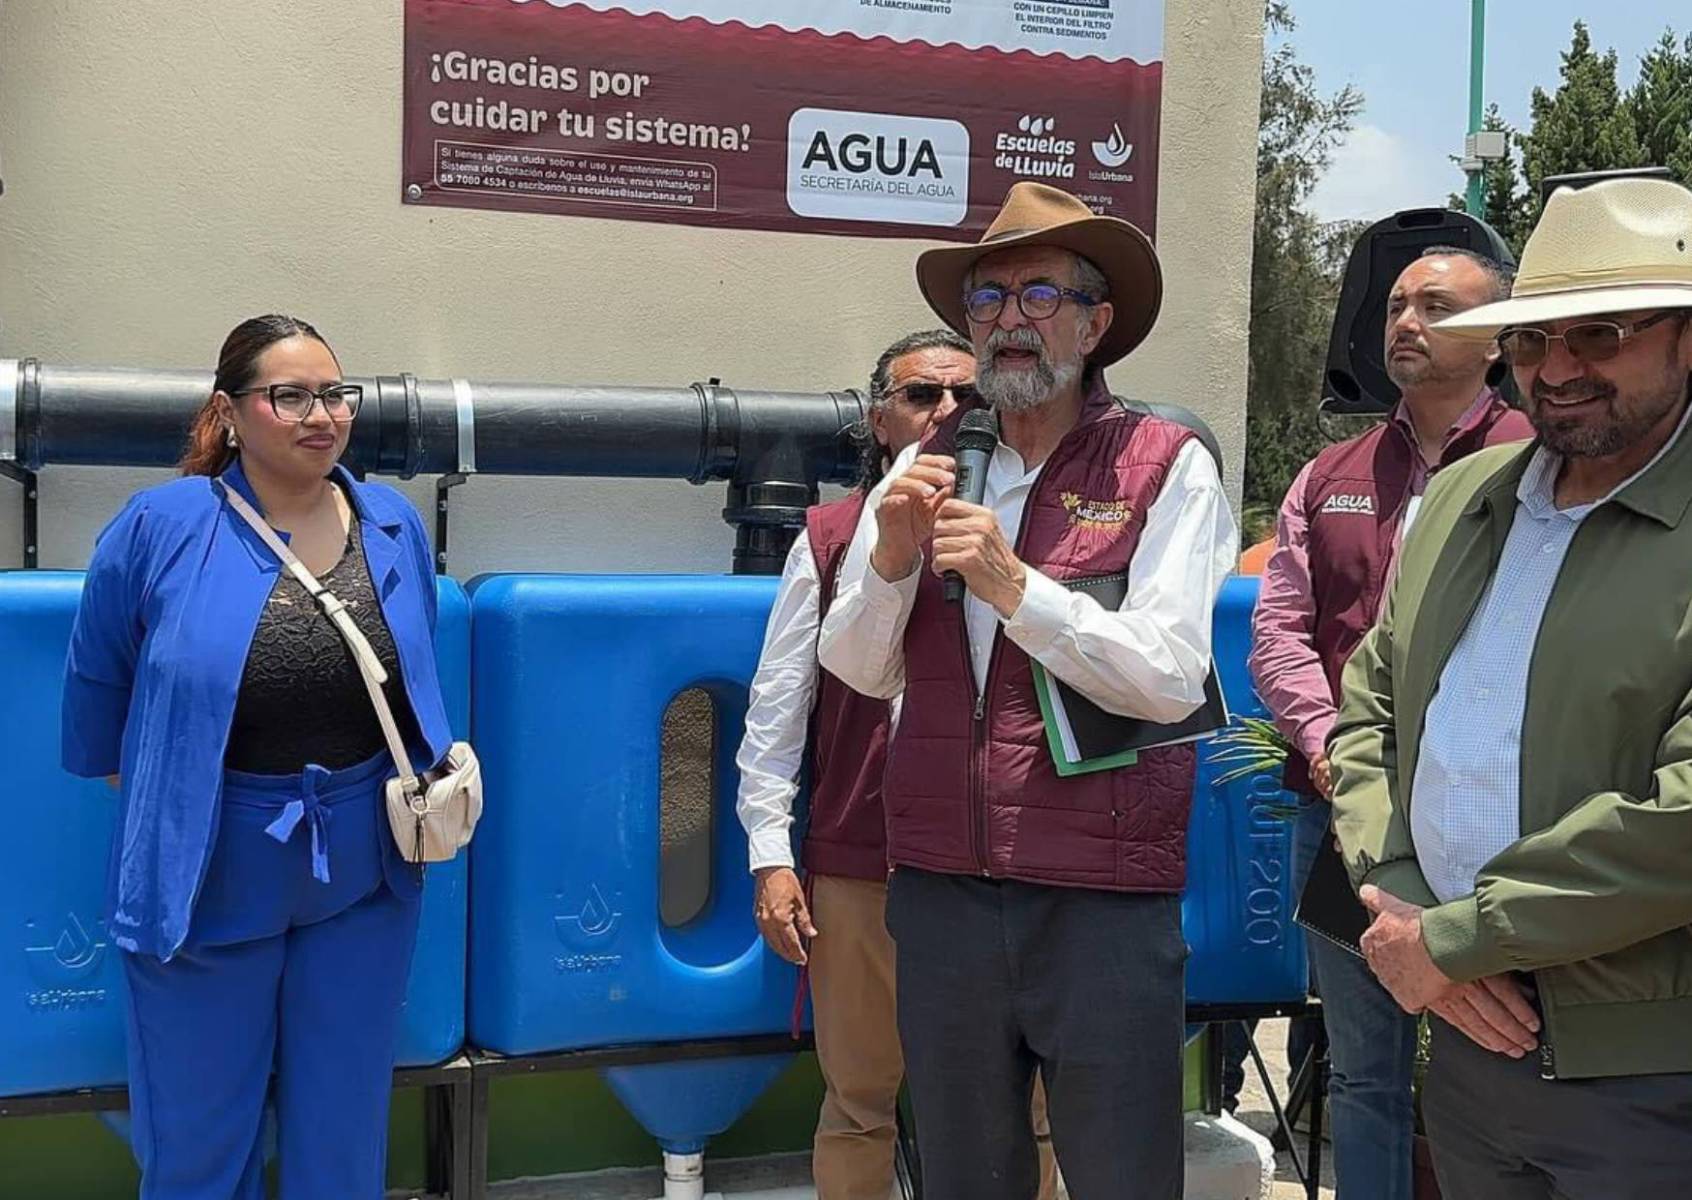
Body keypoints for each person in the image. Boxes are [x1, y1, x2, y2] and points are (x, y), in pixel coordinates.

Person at [817, 182, 1237, 1199]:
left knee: (1119, 1177)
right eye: (988, 301)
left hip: (1101, 901)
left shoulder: (1166, 466)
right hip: (944, 892)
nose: (1008, 322)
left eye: (1038, 294)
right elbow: (859, 670)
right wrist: (885, 562)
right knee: (966, 1177)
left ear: (1095, 324)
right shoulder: (923, 468)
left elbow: (1174, 677)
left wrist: (1016, 589)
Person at [1330, 174, 1692, 1200]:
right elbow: (1372, 711)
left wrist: (1455, 937)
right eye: (1532, 341)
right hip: (1465, 1046)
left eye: (1601, 334)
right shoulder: (1461, 496)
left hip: (1648, 1076)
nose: (1558, 368)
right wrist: (1399, 900)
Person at [62, 315, 457, 1199]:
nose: (321, 415)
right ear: (231, 413)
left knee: (344, 1126)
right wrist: (175, 797)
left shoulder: (390, 520)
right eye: (291, 396)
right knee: (199, 1134)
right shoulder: (161, 525)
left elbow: (412, 667)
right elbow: (98, 683)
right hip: (207, 868)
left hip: (363, 870)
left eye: (335, 394)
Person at [1247, 246, 1531, 1195]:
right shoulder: (1329, 474)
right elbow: (1279, 628)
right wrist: (1331, 747)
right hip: (1338, 820)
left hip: (1494, 821)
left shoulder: (1541, 463)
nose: (1404, 321)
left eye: (1435, 305)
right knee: (1364, 1068)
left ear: (1497, 339)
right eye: (1396, 305)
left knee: (1499, 1057)